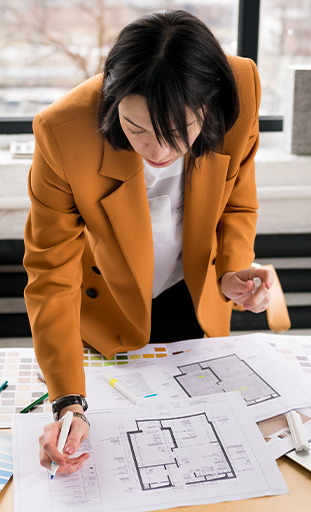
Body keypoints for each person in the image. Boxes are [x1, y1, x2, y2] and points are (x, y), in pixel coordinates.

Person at [23, 10, 274, 475]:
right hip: (108, 308)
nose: (157, 152)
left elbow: (237, 200)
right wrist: (68, 403)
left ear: (212, 105)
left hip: (197, 297)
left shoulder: (241, 86)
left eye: (178, 134)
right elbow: (50, 275)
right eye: (135, 129)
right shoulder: (62, 132)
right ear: (113, 99)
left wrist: (232, 271)